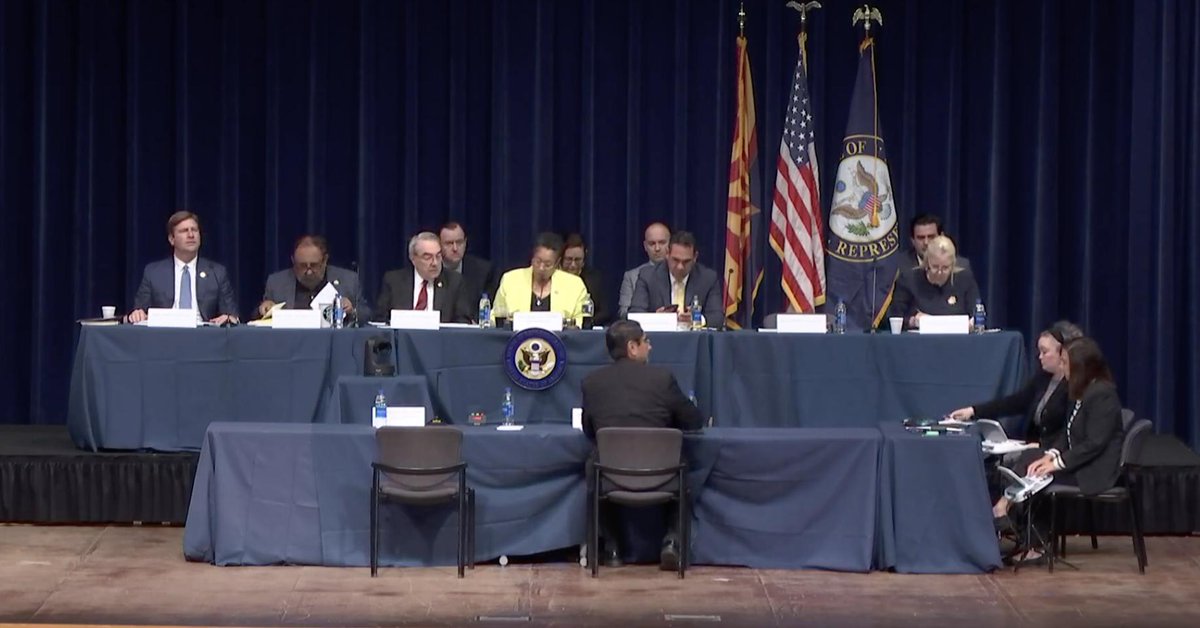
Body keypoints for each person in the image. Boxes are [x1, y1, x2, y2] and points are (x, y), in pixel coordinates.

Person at [581, 320, 704, 569]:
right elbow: (694, 421)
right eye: (646, 341)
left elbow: (589, 430)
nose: (650, 346)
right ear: (632, 347)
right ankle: (671, 541)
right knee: (683, 462)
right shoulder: (662, 379)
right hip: (662, 475)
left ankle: (611, 547)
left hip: (612, 476)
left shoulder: (592, 383)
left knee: (593, 463)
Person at [993, 336, 1126, 563]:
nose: (1061, 367)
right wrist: (1050, 455)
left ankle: (1024, 532)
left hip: (1094, 470)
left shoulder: (1102, 394)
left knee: (1043, 473)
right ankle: (1019, 530)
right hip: (1080, 460)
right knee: (1032, 458)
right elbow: (1068, 433)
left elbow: (1094, 443)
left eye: (1065, 362)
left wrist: (1055, 464)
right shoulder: (1081, 391)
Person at [947, 321, 1085, 446]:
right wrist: (973, 411)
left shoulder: (1076, 386)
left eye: (1045, 352)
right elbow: (1016, 402)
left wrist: (1043, 446)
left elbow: (1072, 431)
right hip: (1032, 446)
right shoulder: (1043, 378)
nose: (1040, 357)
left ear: (1063, 352)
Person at [127, 211, 238, 325]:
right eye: (184, 231)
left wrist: (228, 317)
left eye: (194, 230)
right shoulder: (153, 272)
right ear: (172, 239)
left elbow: (231, 315)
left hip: (203, 335)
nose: (191, 235)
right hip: (165, 334)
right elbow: (140, 311)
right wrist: (138, 314)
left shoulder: (217, 272)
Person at [255, 235, 367, 323]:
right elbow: (257, 318)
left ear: (325, 261)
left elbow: (367, 315)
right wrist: (264, 310)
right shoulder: (277, 283)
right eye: (302, 266)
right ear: (293, 261)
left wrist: (352, 311)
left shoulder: (348, 281)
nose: (308, 272)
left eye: (313, 265)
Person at [628, 231, 724, 328]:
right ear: (667, 254)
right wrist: (657, 319)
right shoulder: (648, 276)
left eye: (686, 261)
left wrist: (696, 318)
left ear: (695, 257)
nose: (680, 267)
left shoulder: (708, 278)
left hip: (694, 341)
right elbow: (634, 315)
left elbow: (717, 318)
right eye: (675, 260)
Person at [373, 232, 473, 323]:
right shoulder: (394, 281)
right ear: (413, 258)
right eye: (427, 257)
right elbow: (380, 319)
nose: (435, 263)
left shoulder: (454, 282)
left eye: (438, 256)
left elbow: (463, 321)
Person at [493, 232, 590, 326]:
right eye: (538, 261)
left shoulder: (575, 285)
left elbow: (580, 322)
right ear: (532, 258)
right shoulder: (511, 280)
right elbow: (495, 316)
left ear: (557, 263)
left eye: (548, 264)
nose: (541, 268)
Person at [888, 235, 980, 329]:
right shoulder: (909, 280)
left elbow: (976, 312)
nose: (939, 272)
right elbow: (894, 317)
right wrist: (913, 321)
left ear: (953, 264)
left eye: (945, 268)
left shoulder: (964, 279)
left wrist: (973, 323)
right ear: (927, 262)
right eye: (935, 267)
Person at [439, 221, 499, 305]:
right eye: (449, 243)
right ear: (439, 244)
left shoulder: (483, 271)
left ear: (465, 242)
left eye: (459, 242)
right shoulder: (432, 269)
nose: (455, 248)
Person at [618, 222, 670, 317]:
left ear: (670, 244)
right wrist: (654, 317)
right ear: (645, 246)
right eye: (652, 244)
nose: (657, 248)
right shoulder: (631, 276)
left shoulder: (680, 272)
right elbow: (624, 313)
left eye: (662, 243)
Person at [561, 233, 611, 326]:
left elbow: (605, 312)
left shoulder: (595, 279)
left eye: (577, 260)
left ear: (584, 258)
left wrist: (587, 323)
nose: (573, 265)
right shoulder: (553, 279)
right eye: (568, 259)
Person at [902, 213, 972, 271]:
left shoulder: (961, 266)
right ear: (913, 241)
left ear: (941, 237)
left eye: (931, 237)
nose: (926, 242)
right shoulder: (899, 266)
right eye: (921, 238)